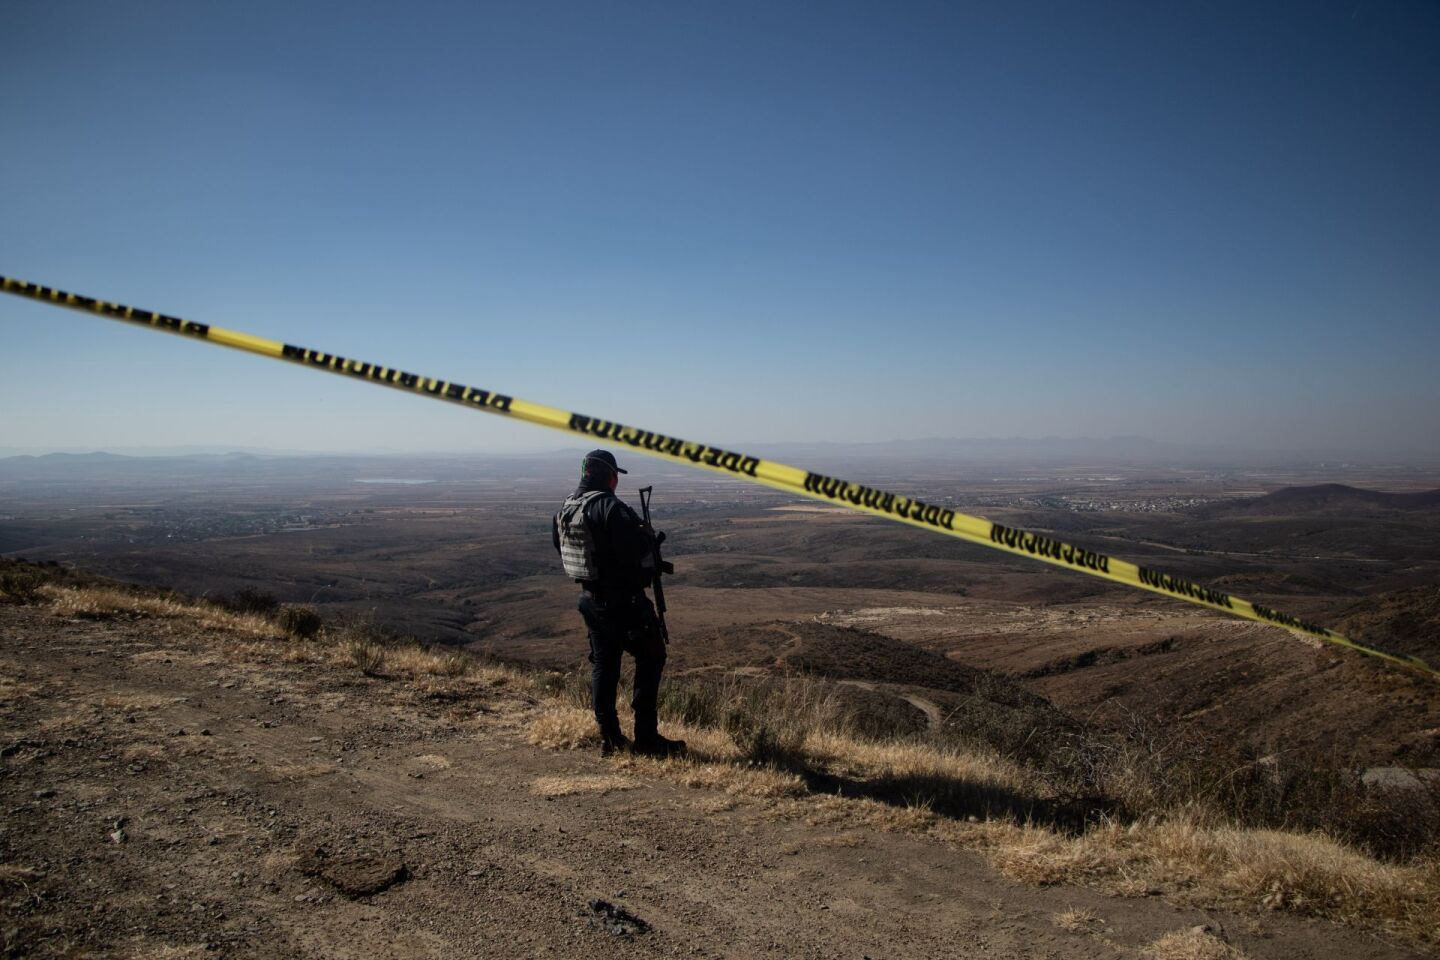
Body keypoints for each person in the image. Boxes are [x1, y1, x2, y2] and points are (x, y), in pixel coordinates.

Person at [552, 449, 686, 758]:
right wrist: (647, 539)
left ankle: (610, 737)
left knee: (604, 664)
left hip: (589, 600)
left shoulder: (568, 508)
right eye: (615, 475)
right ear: (607, 475)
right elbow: (634, 553)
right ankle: (647, 738)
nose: (616, 481)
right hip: (622, 601)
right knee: (652, 656)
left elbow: (562, 548)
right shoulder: (609, 508)